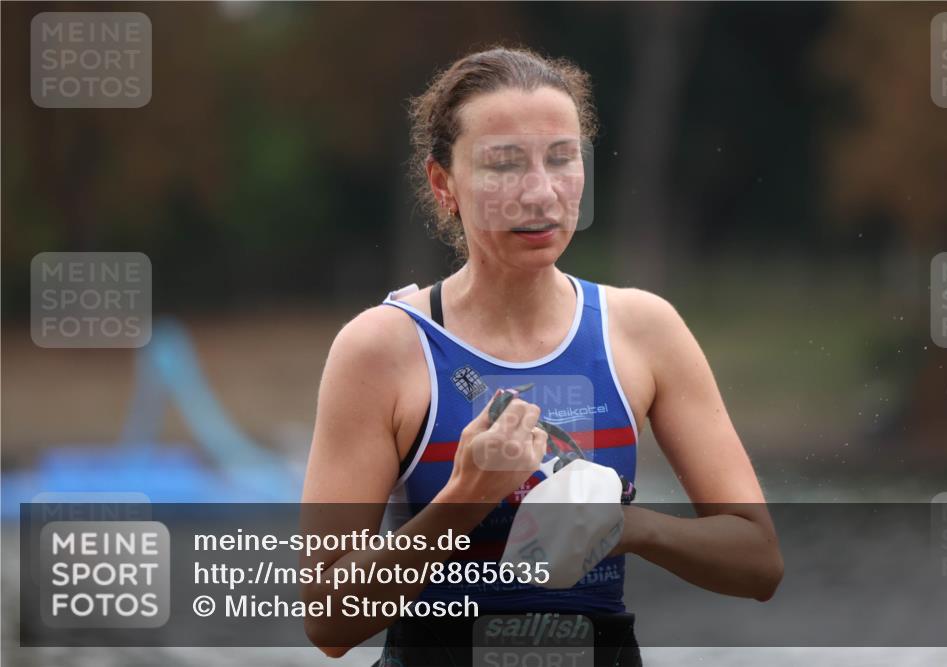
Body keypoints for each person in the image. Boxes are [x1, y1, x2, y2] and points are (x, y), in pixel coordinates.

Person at [301, 45, 783, 666]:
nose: (540, 192)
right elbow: (328, 622)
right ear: (443, 183)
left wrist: (628, 529)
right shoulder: (382, 349)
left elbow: (759, 562)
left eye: (562, 159)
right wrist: (466, 498)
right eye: (503, 165)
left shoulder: (642, 330)